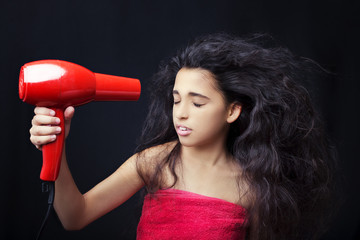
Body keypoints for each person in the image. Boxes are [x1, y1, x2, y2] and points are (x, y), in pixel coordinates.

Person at [29, 33, 336, 239]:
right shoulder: (155, 163)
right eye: (176, 99)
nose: (181, 113)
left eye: (197, 102)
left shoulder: (253, 188)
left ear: (232, 111)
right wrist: (57, 145)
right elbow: (74, 216)